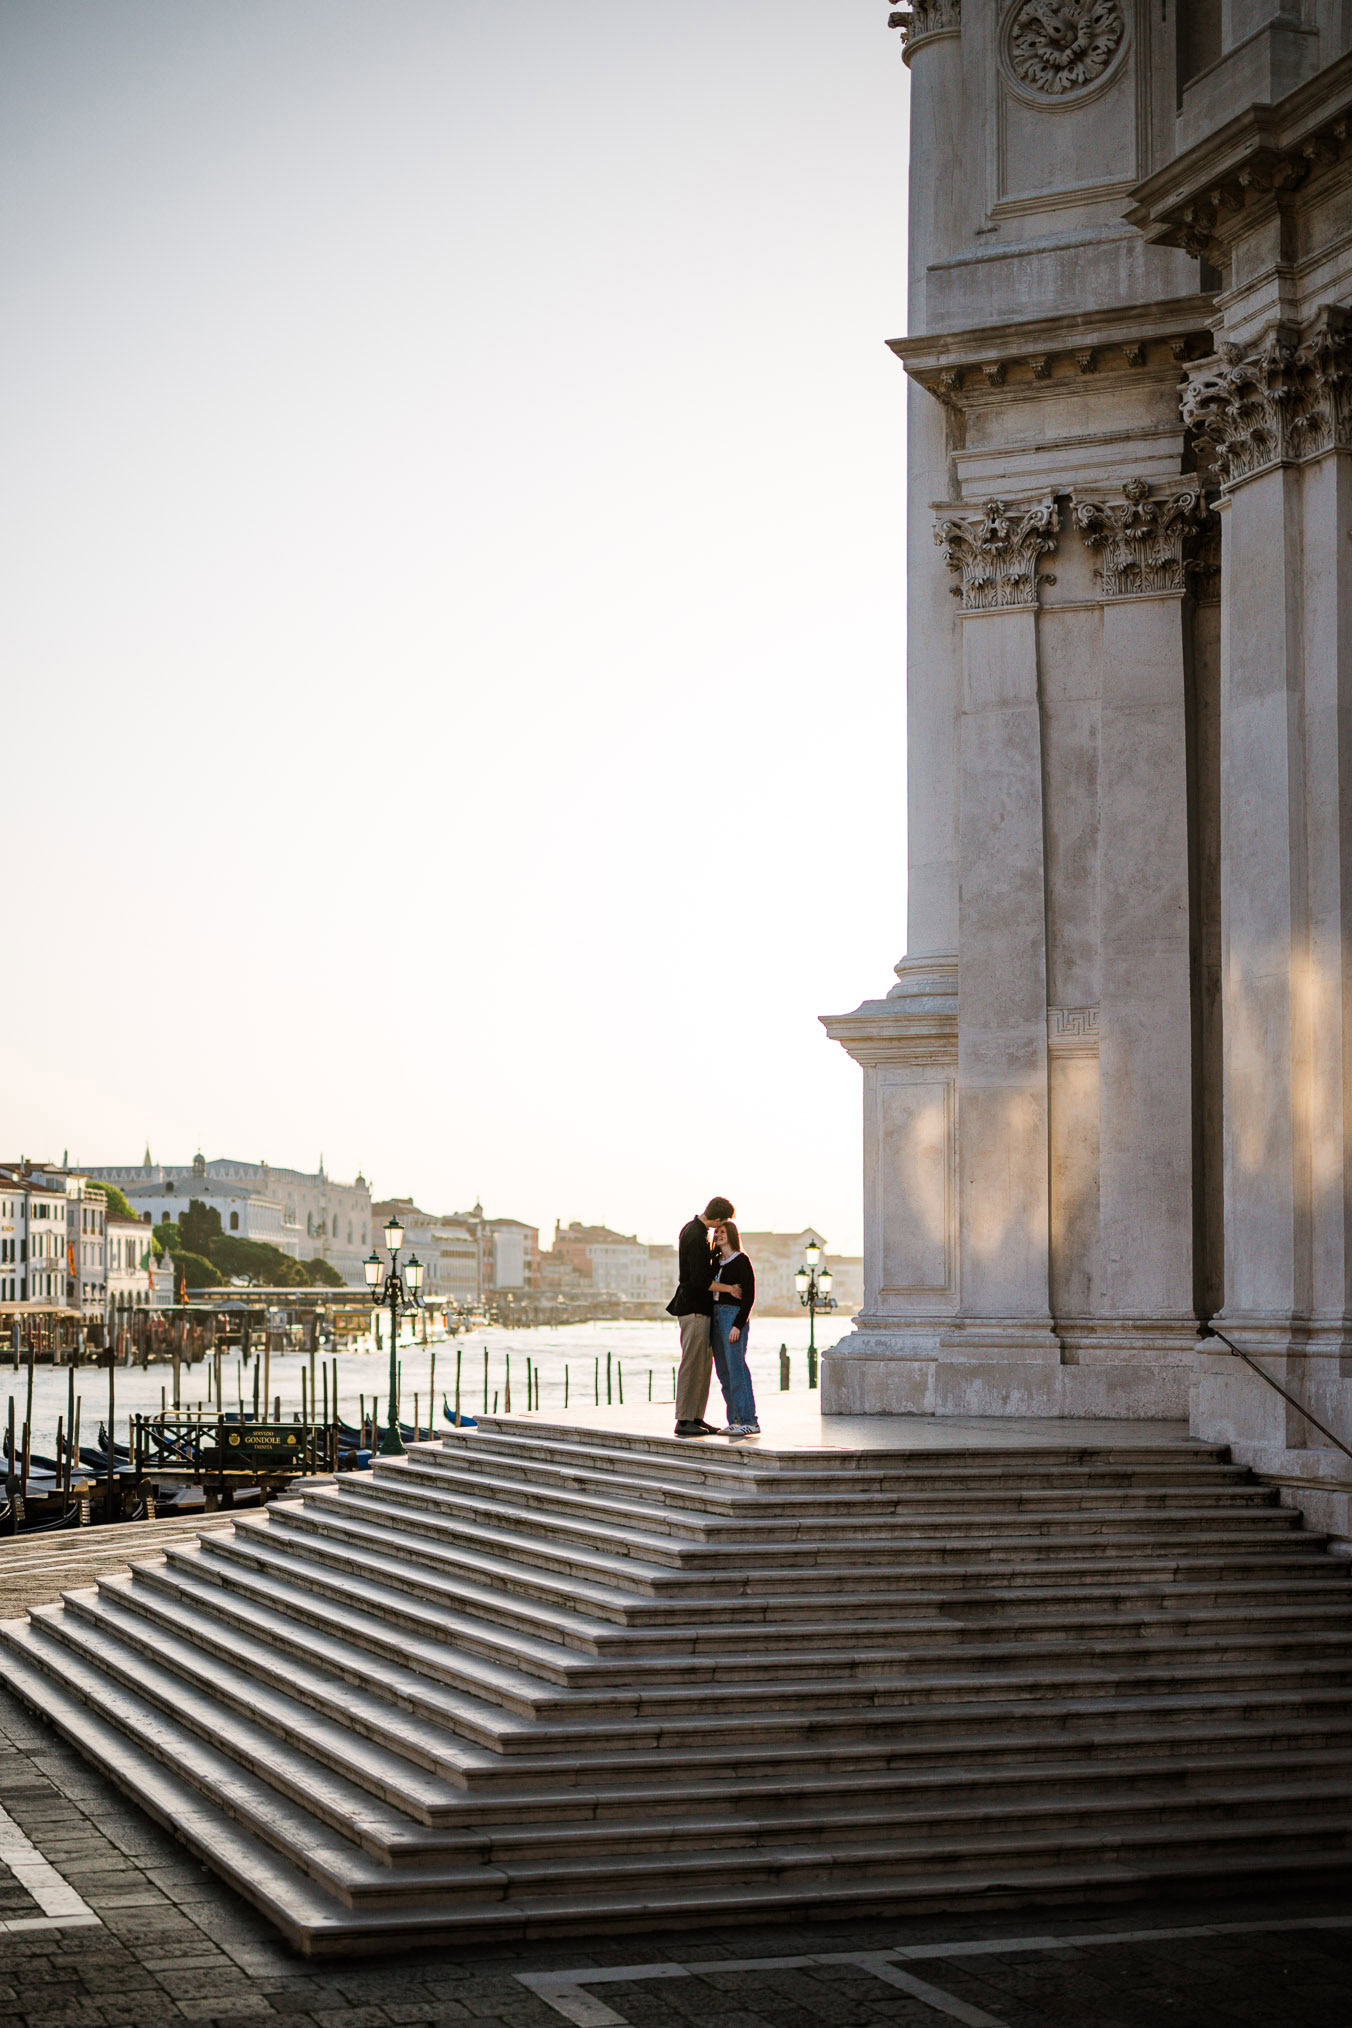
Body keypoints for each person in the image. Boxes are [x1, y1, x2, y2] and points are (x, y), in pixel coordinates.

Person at [667, 1195, 735, 1437]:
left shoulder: (694, 1230)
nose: (721, 1227)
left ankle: (695, 1416)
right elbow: (700, 1280)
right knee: (692, 1364)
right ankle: (684, 1419)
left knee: (703, 1365)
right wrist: (729, 1289)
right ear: (717, 1218)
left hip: (698, 1308)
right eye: (722, 1222)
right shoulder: (696, 1235)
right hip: (693, 1307)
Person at [709, 1219, 758, 1437]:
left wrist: (738, 1324)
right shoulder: (715, 1262)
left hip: (732, 1316)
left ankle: (749, 1420)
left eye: (722, 1231)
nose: (718, 1235)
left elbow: (749, 1296)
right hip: (716, 1315)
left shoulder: (741, 1261)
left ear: (731, 1234)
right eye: (716, 1232)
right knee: (723, 1372)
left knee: (736, 1368)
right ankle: (734, 1420)